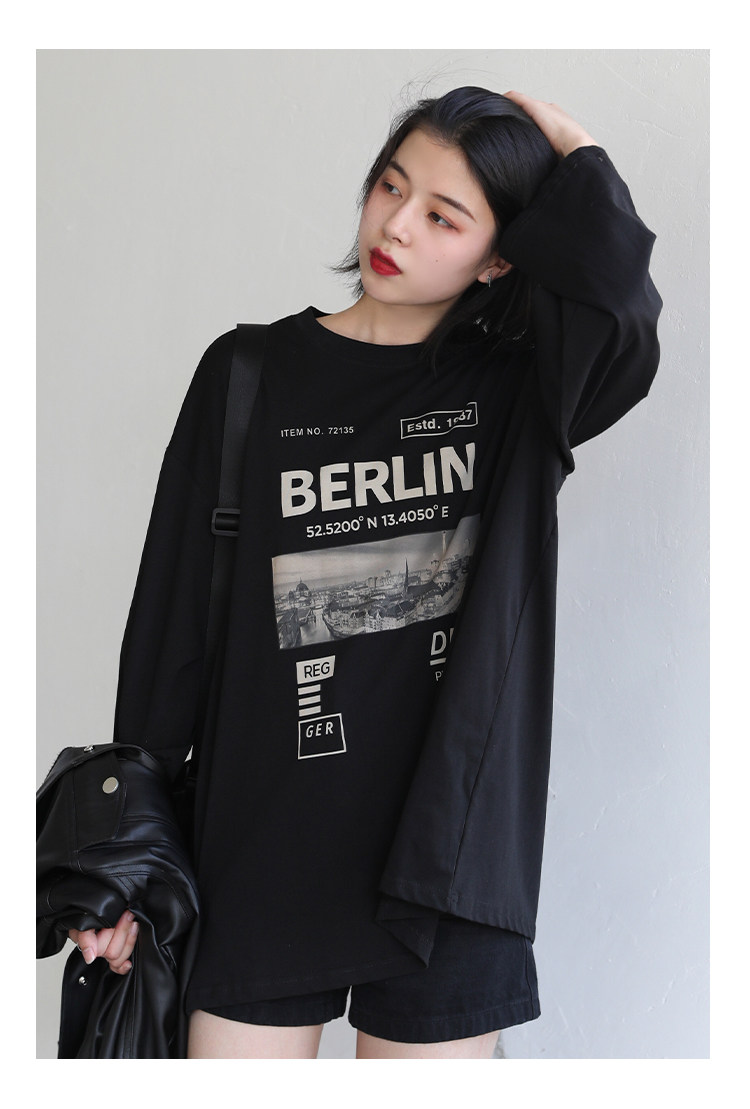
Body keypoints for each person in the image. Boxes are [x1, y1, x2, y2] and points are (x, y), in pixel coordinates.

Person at [67, 87, 662, 1059]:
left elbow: (621, 314)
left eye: (444, 215)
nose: (396, 225)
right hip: (259, 844)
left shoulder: (521, 394)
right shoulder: (246, 374)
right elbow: (172, 628)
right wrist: (128, 865)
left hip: (447, 857)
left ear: (500, 255)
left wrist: (574, 149)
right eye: (392, 185)